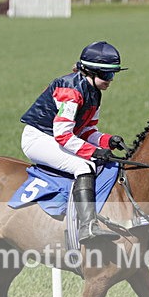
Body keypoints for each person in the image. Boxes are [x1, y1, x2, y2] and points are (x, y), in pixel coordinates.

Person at [20, 41, 128, 244]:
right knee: (84, 166)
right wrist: (94, 152)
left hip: (56, 137)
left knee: (100, 162)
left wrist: (107, 141)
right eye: (106, 75)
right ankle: (87, 227)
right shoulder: (71, 90)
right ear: (90, 71)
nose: (110, 80)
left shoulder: (95, 93)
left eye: (113, 75)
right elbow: (63, 135)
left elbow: (87, 131)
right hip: (39, 138)